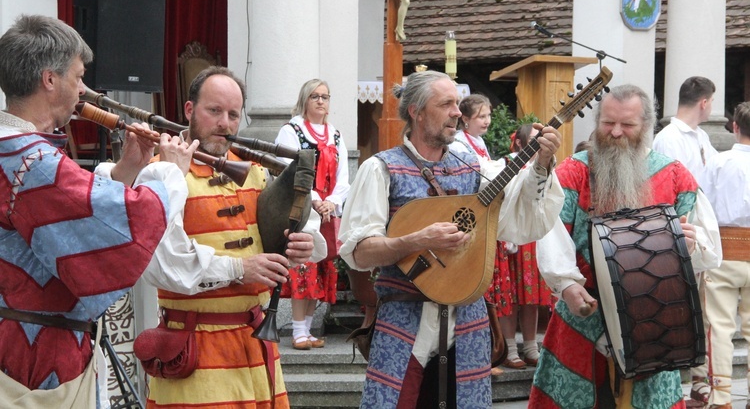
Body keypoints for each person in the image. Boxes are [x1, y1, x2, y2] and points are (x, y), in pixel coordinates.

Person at [338, 70, 565, 408]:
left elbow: (520, 217)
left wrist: (542, 165)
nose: (457, 112)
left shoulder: (475, 169)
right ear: (416, 111)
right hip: (403, 320)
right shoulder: (380, 169)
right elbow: (359, 252)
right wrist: (415, 240)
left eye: (458, 104)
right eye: (446, 104)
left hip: (467, 321)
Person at [0, 14, 195, 406]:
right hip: (36, 361)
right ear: (49, 80)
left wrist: (126, 172)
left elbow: (70, 220)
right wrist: (171, 174)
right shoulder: (29, 159)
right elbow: (130, 225)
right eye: (78, 76)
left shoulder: (18, 152)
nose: (83, 90)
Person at [529, 84, 722, 409]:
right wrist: (565, 284)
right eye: (608, 123)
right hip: (581, 319)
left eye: (627, 125)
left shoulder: (674, 176)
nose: (616, 132)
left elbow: (709, 247)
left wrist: (688, 246)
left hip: (654, 327)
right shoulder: (574, 171)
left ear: (646, 126)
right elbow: (549, 229)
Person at [141, 66, 320, 408]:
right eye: (214, 111)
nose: (225, 123)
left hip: (254, 345)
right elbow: (162, 265)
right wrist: (239, 269)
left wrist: (301, 245)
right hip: (195, 347)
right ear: (190, 111)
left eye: (233, 114)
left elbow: (280, 236)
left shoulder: (254, 172)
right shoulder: (162, 173)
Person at [652, 75, 718, 405]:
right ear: (704, 102)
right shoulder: (668, 138)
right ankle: (682, 376)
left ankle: (700, 380)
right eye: (711, 102)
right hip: (677, 234)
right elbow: (667, 192)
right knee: (679, 308)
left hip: (699, 231)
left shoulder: (702, 136)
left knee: (700, 310)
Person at [275, 78, 350, 350]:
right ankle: (297, 332)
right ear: (305, 100)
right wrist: (317, 199)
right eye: (315, 96)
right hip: (303, 208)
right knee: (303, 266)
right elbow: (288, 166)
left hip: (327, 212)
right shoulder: (291, 130)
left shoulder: (336, 134)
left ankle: (307, 330)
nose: (321, 101)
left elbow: (344, 176)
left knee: (321, 268)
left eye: (325, 97)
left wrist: (332, 201)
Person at [448, 93, 510, 377]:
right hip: (469, 222)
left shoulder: (480, 143)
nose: (486, 121)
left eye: (488, 116)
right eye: (481, 117)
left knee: (488, 290)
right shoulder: (460, 144)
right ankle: (481, 357)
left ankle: (489, 353)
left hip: (486, 221)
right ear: (465, 119)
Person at [699, 101, 750, 409]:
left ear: (734, 127)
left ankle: (722, 397)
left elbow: (702, 207)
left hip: (726, 249)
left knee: (719, 326)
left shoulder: (718, 162)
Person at [497, 124, 554, 371]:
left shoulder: (544, 165)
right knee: (509, 296)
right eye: (533, 140)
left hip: (532, 238)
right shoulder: (505, 163)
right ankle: (509, 348)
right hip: (510, 238)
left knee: (530, 296)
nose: (538, 143)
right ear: (520, 143)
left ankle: (531, 346)